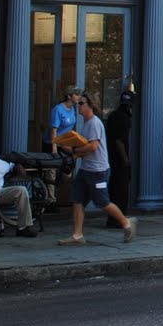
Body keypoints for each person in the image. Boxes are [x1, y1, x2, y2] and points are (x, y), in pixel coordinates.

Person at [56, 94, 137, 245]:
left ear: (90, 105)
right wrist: (75, 154)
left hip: (97, 171)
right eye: (77, 104)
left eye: (81, 103)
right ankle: (77, 235)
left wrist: (73, 150)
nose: (78, 106)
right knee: (77, 199)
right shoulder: (86, 124)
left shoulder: (94, 123)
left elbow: (93, 146)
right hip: (86, 169)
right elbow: (86, 148)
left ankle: (126, 223)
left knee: (103, 202)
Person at [105, 89, 135, 222]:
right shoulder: (124, 118)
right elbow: (119, 141)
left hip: (111, 157)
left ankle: (112, 217)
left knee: (114, 187)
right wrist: (125, 158)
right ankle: (118, 217)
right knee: (121, 189)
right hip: (120, 159)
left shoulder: (112, 116)